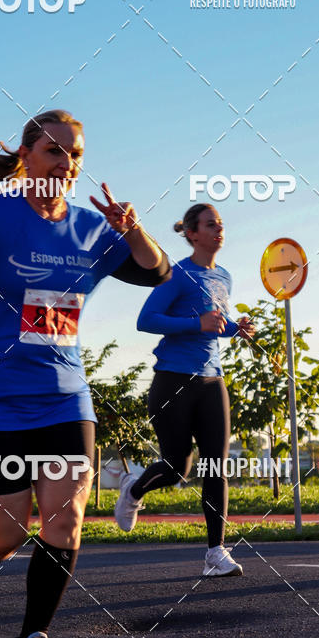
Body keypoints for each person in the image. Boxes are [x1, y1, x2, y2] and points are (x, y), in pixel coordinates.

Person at [0, 109, 170, 638]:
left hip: (63, 396)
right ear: (26, 156)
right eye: (54, 151)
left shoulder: (90, 228)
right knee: (6, 530)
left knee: (65, 520)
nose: (67, 163)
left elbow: (156, 272)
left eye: (75, 154)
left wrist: (132, 228)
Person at [114, 203, 255, 576]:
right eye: (210, 224)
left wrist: (235, 328)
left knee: (216, 466)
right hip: (173, 380)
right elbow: (146, 320)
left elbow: (216, 323)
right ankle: (134, 489)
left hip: (212, 380)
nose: (219, 229)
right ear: (192, 234)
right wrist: (197, 323)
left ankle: (216, 553)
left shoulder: (224, 276)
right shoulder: (177, 274)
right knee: (178, 467)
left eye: (220, 224)